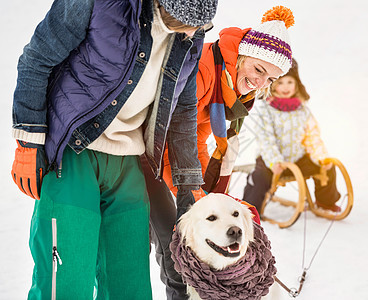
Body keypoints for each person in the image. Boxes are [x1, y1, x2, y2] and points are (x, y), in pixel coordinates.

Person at [10, 0, 218, 298]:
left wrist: (190, 183)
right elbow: (37, 59)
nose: (195, 33)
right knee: (66, 282)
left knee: (129, 286)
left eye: (202, 26)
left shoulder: (192, 36)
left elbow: (183, 109)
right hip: (74, 154)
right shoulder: (100, 5)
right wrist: (27, 143)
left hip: (129, 164)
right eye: (187, 24)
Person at [139, 5, 295, 300]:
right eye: (258, 69)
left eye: (270, 79)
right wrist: (190, 189)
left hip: (164, 158)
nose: (261, 83)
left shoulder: (230, 88)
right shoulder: (205, 70)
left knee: (176, 242)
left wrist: (204, 193)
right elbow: (171, 133)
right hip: (143, 152)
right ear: (242, 56)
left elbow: (196, 137)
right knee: (174, 245)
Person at [242, 58, 342, 213]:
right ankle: (250, 209)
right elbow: (266, 139)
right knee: (260, 178)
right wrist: (275, 161)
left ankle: (326, 201)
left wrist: (321, 157)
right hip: (272, 161)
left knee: (328, 167)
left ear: (296, 85)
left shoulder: (303, 111)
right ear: (273, 85)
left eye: (289, 82)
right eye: (280, 83)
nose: (285, 87)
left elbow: (312, 138)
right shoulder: (266, 111)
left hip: (298, 159)